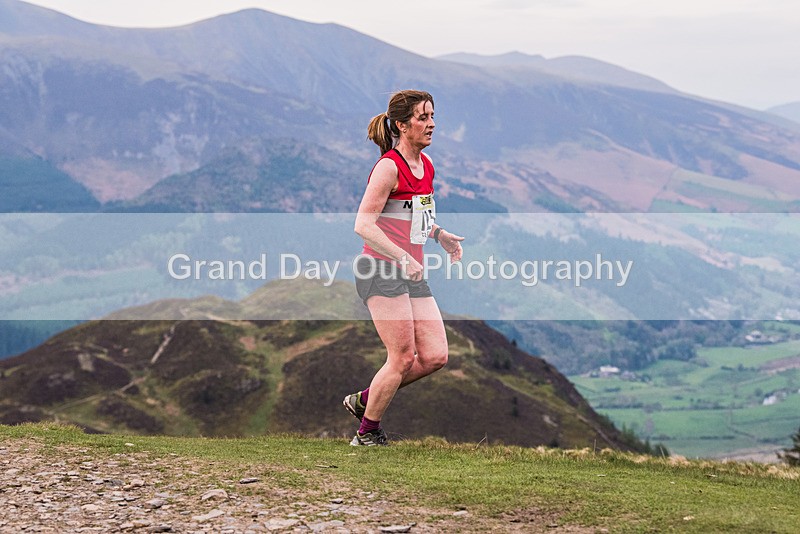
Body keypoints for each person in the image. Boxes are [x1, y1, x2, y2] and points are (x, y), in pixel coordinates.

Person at [343, 90, 464, 446]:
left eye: (432, 116)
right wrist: (402, 257)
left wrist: (439, 234)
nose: (431, 124)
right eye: (423, 118)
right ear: (401, 125)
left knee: (435, 356)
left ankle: (365, 399)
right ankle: (368, 434)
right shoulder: (388, 167)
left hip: (410, 271)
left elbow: (415, 220)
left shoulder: (426, 167)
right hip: (379, 269)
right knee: (402, 356)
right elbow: (363, 225)